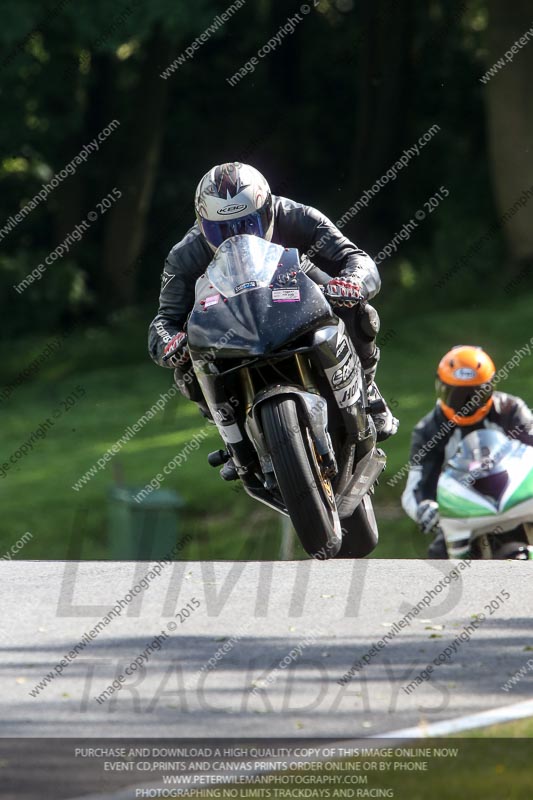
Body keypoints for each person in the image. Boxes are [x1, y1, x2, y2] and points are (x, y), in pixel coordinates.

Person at [148, 162, 398, 478]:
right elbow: (164, 320)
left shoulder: (296, 215)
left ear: (267, 211)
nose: (235, 236)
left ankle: (368, 390)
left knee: (359, 312)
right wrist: (171, 343)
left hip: (297, 292)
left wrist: (351, 282)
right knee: (186, 362)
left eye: (247, 224)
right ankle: (232, 434)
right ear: (202, 223)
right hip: (229, 321)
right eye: (221, 230)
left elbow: (356, 258)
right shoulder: (185, 254)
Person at [402, 345, 533, 557]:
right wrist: (424, 509)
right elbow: (416, 487)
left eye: (475, 395)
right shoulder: (428, 430)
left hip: (515, 499)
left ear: (489, 389)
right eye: (456, 394)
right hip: (464, 511)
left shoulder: (512, 410)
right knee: (439, 555)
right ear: (440, 388)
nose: (465, 404)